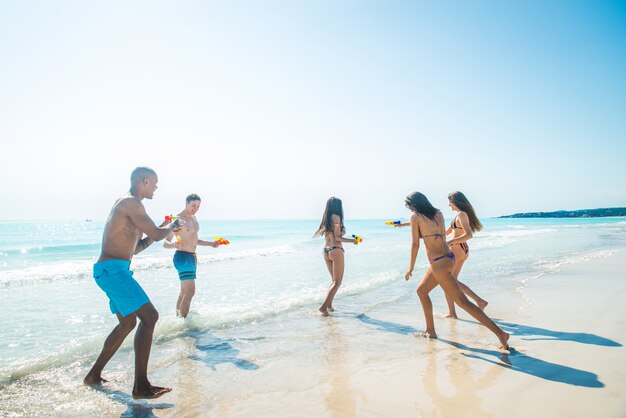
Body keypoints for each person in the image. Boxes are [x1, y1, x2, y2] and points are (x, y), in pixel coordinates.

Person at [84, 167, 181, 399]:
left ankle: (93, 375)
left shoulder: (131, 207)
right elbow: (159, 234)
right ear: (144, 181)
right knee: (150, 317)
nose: (156, 187)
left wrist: (162, 229)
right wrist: (172, 225)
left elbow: (136, 248)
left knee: (128, 323)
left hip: (113, 271)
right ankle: (141, 387)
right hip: (112, 272)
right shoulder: (131, 203)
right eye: (154, 183)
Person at [403, 192, 509, 349]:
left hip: (438, 263)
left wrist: (410, 267)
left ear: (412, 205)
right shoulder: (438, 213)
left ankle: (501, 334)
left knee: (463, 302)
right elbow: (432, 233)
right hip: (448, 258)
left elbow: (415, 244)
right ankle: (430, 331)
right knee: (422, 291)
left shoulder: (415, 216)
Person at [163, 193, 222, 318]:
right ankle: (183, 323)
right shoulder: (178, 220)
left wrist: (211, 244)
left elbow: (194, 240)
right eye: (193, 205)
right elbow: (165, 242)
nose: (195, 209)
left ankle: (178, 319)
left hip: (192, 257)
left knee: (184, 292)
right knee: (190, 292)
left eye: (198, 206)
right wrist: (173, 245)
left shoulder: (194, 219)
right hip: (182, 257)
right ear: (186, 203)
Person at [444, 191, 488, 318]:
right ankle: (478, 302)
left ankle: (454, 312)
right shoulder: (459, 215)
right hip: (461, 249)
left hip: (457, 249)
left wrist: (451, 242)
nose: (449, 205)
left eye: (450, 202)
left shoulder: (462, 215)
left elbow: (469, 235)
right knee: (451, 281)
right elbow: (446, 232)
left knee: (447, 281)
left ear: (456, 201)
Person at [314, 197, 358, 316]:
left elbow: (333, 235)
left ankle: (329, 305)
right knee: (337, 282)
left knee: (333, 281)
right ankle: (323, 307)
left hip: (326, 250)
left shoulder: (326, 219)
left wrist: (341, 232)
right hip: (336, 250)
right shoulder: (337, 217)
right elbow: (338, 238)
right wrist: (352, 241)